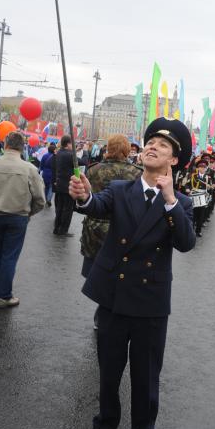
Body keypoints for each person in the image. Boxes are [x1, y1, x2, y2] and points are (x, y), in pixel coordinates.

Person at [69, 118, 195, 429]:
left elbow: (185, 242)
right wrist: (83, 197)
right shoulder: (123, 189)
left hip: (150, 301)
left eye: (163, 146)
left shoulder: (180, 203)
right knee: (109, 368)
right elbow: (96, 205)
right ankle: (104, 424)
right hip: (113, 294)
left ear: (174, 161)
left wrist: (169, 199)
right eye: (151, 141)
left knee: (146, 372)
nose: (153, 146)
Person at [79, 134, 141, 329]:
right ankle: (108, 309)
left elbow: (84, 198)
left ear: (108, 148)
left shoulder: (93, 170)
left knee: (96, 270)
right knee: (119, 272)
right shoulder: (136, 173)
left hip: (95, 227)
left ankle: (103, 308)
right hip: (122, 229)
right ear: (126, 150)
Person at [0, 132, 45, 307]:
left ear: (5, 144)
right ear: (22, 146)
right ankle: (3, 295)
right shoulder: (29, 169)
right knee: (9, 256)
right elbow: (40, 198)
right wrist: (29, 213)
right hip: (17, 216)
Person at [52, 135, 85, 236]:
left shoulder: (59, 153)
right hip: (68, 187)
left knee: (59, 208)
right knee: (68, 209)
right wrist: (86, 152)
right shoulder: (69, 155)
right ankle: (63, 230)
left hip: (60, 185)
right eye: (73, 144)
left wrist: (75, 150)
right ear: (68, 144)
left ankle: (56, 228)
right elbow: (83, 162)